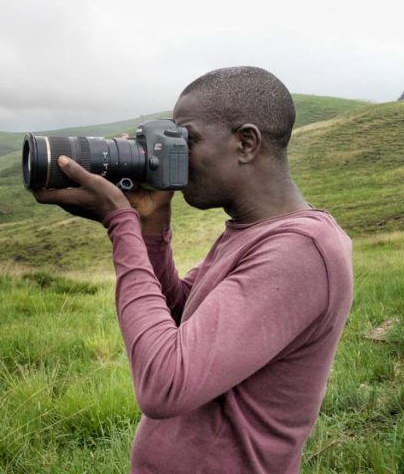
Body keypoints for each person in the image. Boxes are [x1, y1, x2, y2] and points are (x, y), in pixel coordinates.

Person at [33, 66, 353, 473]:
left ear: (246, 143)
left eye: (187, 139)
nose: (175, 157)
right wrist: (150, 227)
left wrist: (120, 224)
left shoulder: (300, 250)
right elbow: (181, 316)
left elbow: (165, 384)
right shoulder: (253, 232)